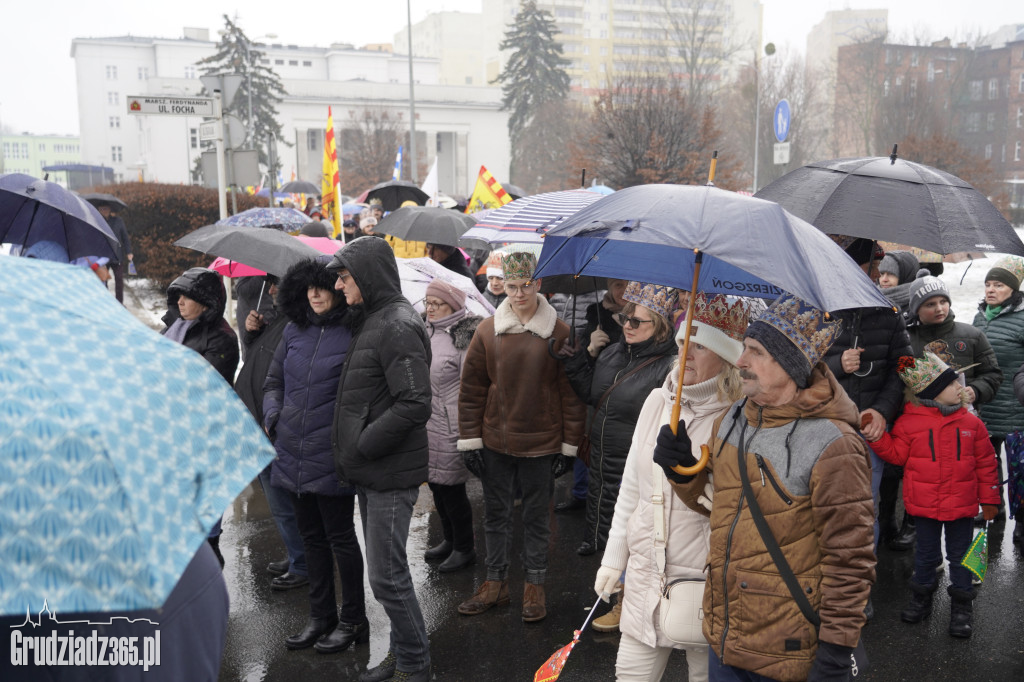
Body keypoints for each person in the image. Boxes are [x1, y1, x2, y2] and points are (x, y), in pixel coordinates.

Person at [653, 294, 875, 682]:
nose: (740, 361)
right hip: (726, 634)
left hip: (789, 647)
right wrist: (682, 470)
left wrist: (836, 651)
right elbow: (719, 508)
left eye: (754, 352)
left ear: (789, 363)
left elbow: (850, 560)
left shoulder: (834, 443)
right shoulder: (734, 417)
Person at [592, 293, 748, 668]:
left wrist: (692, 471)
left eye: (699, 346)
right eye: (682, 343)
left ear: (727, 358)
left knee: (702, 675)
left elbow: (736, 506)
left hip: (701, 580)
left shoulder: (738, 417)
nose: (686, 353)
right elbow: (632, 487)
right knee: (630, 674)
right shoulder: (657, 402)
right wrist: (615, 560)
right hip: (645, 572)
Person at [456, 251, 586, 623]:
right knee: (495, 516)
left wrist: (570, 445)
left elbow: (570, 394)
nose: (518, 293)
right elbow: (472, 391)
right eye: (511, 286)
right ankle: (495, 584)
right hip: (495, 439)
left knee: (536, 518)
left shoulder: (560, 332)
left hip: (542, 442)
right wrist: (470, 439)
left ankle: (535, 586)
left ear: (539, 283)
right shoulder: (487, 330)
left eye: (526, 285)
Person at [327, 236, 432, 682]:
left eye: (345, 276)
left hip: (389, 470)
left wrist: (364, 443)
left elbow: (415, 402)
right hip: (372, 471)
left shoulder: (396, 325)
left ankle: (415, 666)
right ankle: (404, 652)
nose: (337, 285)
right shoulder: (373, 318)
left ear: (367, 277)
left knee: (388, 577)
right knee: (385, 576)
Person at [263, 259, 367, 653]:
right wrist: (275, 415)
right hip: (292, 449)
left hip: (332, 451)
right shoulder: (294, 330)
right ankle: (319, 616)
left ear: (337, 290)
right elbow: (274, 383)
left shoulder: (353, 330)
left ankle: (353, 619)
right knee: (311, 539)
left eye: (323, 286)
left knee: (340, 538)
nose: (316, 294)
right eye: (309, 288)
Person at [866, 352, 999, 639]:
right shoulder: (909, 423)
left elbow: (987, 463)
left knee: (961, 558)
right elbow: (897, 455)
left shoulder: (972, 424)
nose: (960, 388)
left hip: (961, 508)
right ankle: (921, 599)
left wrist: (990, 500)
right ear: (934, 393)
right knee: (925, 557)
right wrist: (877, 437)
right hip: (923, 507)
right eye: (952, 385)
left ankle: (962, 608)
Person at [563, 282, 678, 559]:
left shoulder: (670, 367)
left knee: (629, 541)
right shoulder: (613, 352)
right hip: (601, 460)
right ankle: (596, 542)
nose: (628, 326)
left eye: (637, 321)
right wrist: (582, 356)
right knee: (600, 507)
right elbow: (592, 395)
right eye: (625, 318)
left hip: (633, 466)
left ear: (661, 325)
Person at [895, 274, 1003, 549]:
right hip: (923, 424)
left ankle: (963, 529)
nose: (939, 308)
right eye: (930, 303)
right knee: (922, 475)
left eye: (943, 301)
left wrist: (976, 391)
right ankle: (914, 523)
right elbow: (899, 379)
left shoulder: (971, 335)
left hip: (961, 422)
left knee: (960, 472)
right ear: (916, 308)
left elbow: (992, 373)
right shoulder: (906, 339)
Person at [822, 240, 912, 558]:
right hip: (824, 427)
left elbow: (904, 367)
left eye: (878, 267)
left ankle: (859, 590)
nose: (877, 274)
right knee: (823, 508)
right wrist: (836, 364)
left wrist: (883, 411)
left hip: (869, 432)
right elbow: (796, 365)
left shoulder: (889, 314)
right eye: (872, 266)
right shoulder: (819, 309)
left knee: (866, 510)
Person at [234, 274, 309, 590]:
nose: (272, 289)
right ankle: (296, 555)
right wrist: (252, 335)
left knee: (285, 501)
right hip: (262, 421)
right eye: (271, 283)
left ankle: (302, 563)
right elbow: (257, 363)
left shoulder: (297, 325)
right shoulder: (274, 322)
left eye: (278, 283)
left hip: (277, 426)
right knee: (277, 500)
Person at [161, 267, 239, 565]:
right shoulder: (174, 328)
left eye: (188, 296)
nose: (180, 302)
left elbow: (201, 386)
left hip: (204, 437)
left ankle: (211, 597)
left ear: (206, 302)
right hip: (172, 436)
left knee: (204, 526)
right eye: (177, 296)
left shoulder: (222, 339)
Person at [423, 279, 483, 572]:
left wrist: (468, 429)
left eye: (437, 304)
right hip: (426, 423)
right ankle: (449, 539)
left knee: (453, 490)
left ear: (454, 306)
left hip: (451, 427)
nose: (431, 309)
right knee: (436, 486)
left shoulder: (465, 338)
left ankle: (464, 547)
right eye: (428, 303)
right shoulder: (425, 331)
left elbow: (473, 387)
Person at [554, 277, 629, 514]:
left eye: (628, 285)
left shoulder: (644, 318)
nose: (623, 291)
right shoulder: (596, 316)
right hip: (596, 392)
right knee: (586, 443)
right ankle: (581, 494)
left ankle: (615, 504)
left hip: (626, 397)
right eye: (618, 285)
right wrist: (591, 349)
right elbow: (580, 359)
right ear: (608, 287)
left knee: (620, 454)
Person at [973, 255, 1024, 530]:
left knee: (1019, 468)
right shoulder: (979, 318)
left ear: (1013, 290)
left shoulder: (1022, 318)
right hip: (987, 405)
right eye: (988, 284)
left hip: (1017, 406)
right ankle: (995, 509)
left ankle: (1022, 521)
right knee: (988, 464)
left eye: (999, 285)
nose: (991, 289)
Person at [95, 203, 133, 304]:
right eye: (102, 208)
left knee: (119, 280)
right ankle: (105, 302)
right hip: (103, 256)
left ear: (110, 209)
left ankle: (119, 303)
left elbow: (125, 237)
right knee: (103, 280)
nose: (104, 210)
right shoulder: (96, 221)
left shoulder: (118, 221)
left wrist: (129, 251)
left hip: (117, 255)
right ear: (99, 209)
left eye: (106, 208)